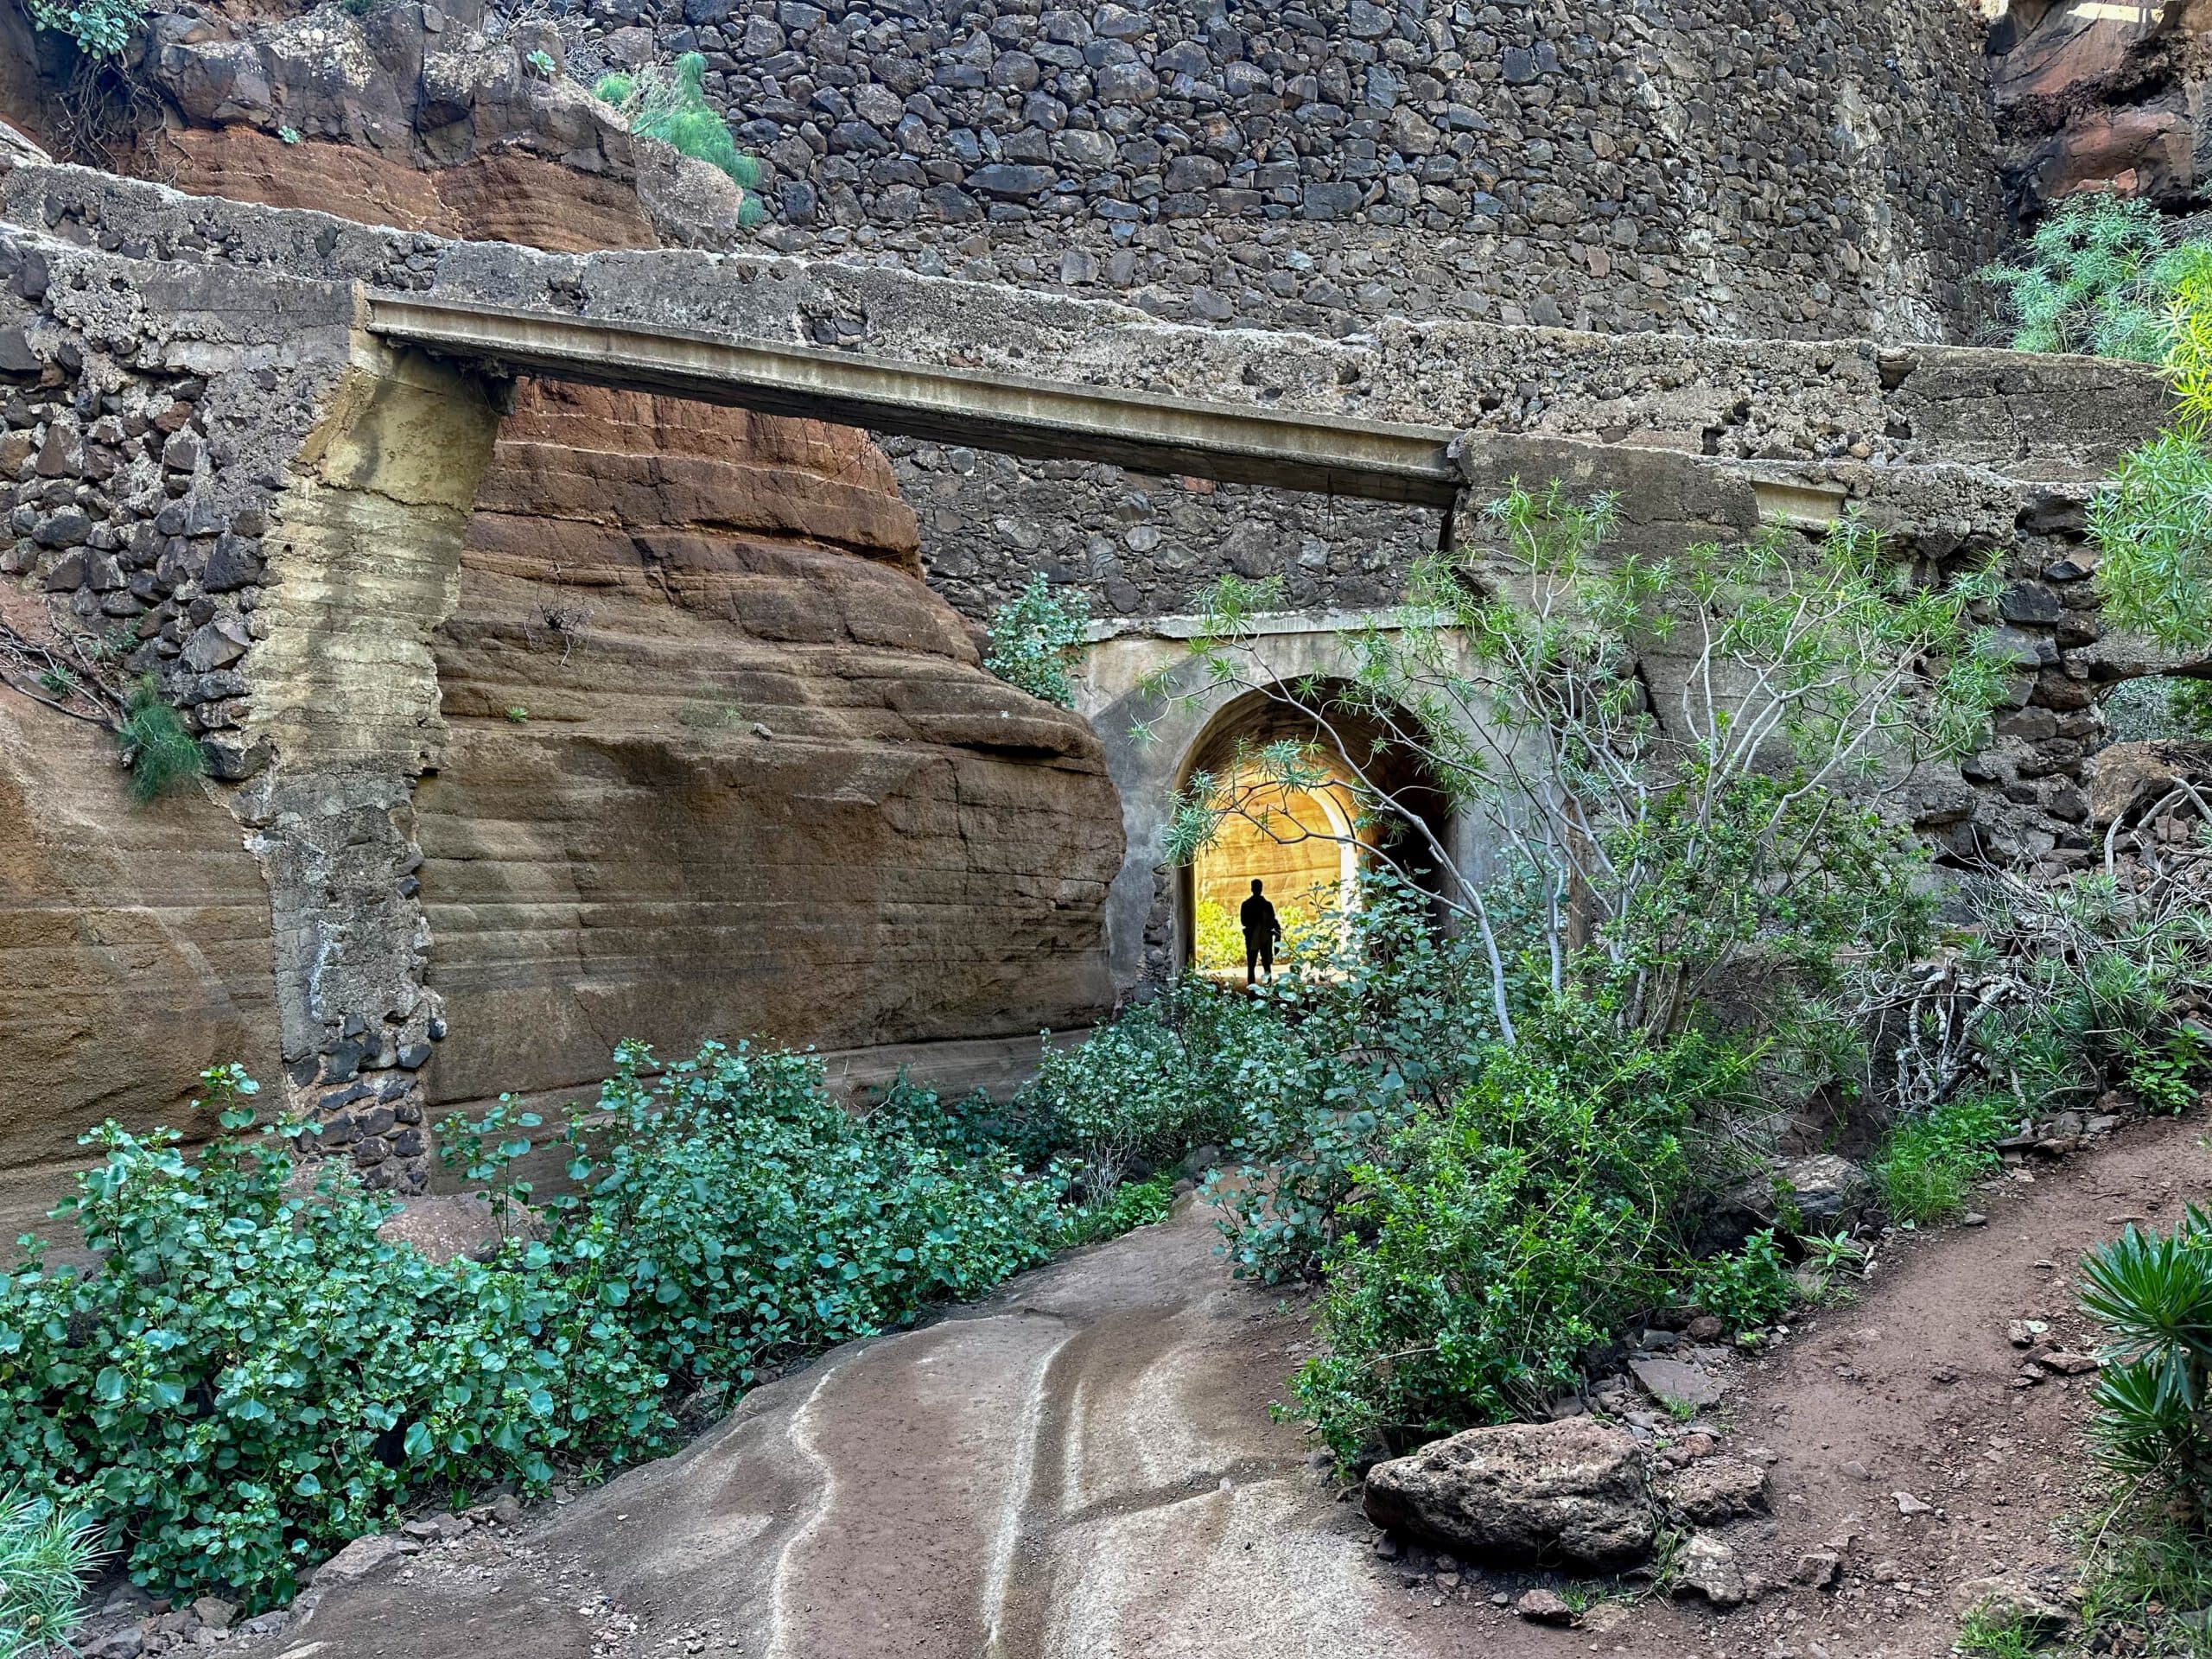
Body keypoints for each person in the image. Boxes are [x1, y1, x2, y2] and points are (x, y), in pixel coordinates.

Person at [1239, 878, 1281, 986]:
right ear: (1261, 889)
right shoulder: (1267, 905)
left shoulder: (1246, 905)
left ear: (1252, 889)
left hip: (1251, 937)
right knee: (1266, 964)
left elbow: (1244, 922)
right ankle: (1268, 988)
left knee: (1251, 964)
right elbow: (1272, 921)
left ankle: (1252, 989)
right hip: (1266, 938)